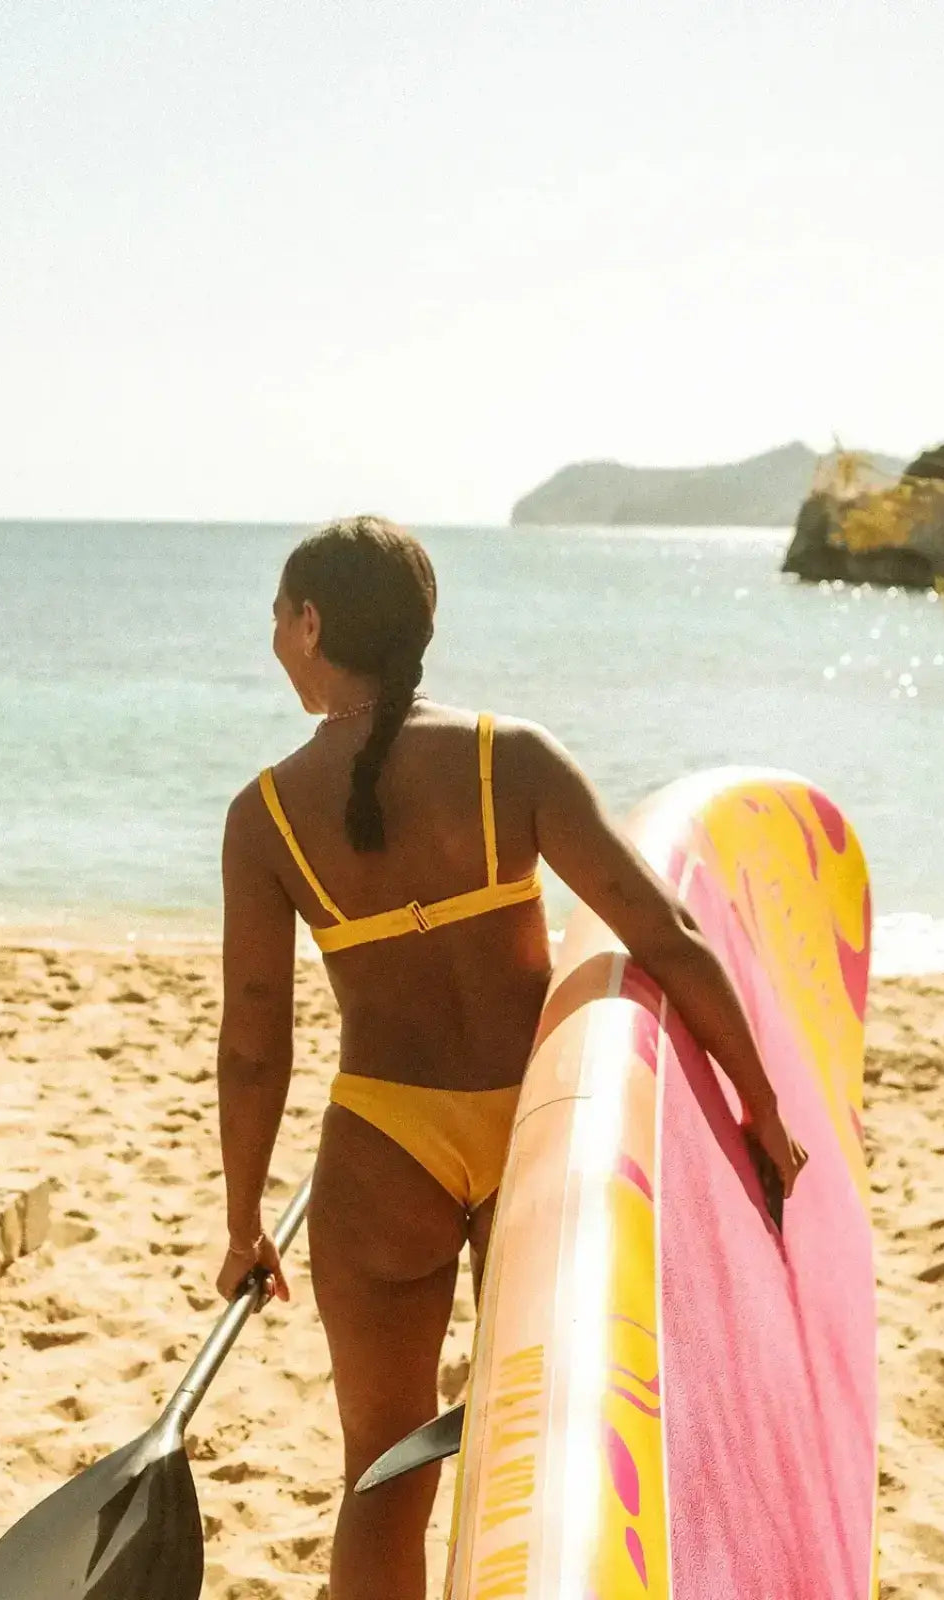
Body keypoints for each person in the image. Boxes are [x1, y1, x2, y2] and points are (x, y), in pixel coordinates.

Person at [214, 515, 808, 1600]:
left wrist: (244, 1219)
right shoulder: (511, 759)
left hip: (383, 1147)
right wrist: (758, 1098)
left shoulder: (264, 818)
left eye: (276, 619)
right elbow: (660, 929)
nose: (274, 640)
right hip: (544, 1136)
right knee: (537, 1455)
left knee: (382, 1476)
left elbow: (258, 1042)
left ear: (310, 623)